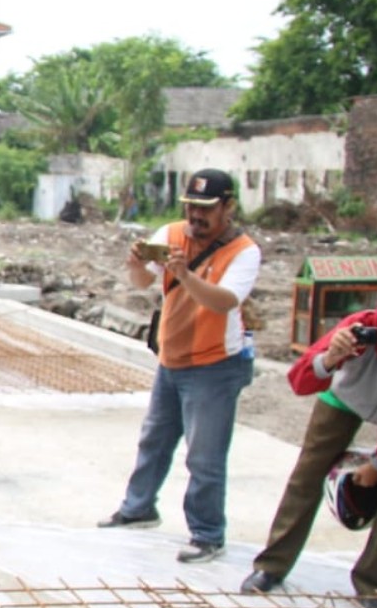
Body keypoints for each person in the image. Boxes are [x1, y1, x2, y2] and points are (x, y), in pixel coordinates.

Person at [96, 168, 260, 563]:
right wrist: (136, 264)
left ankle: (207, 533)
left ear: (228, 207)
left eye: (206, 209)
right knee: (154, 439)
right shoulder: (170, 235)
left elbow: (224, 302)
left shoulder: (244, 252)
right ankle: (138, 508)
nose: (196, 216)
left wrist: (185, 274)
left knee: (204, 455)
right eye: (191, 207)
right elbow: (141, 282)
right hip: (172, 359)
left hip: (215, 365)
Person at [242, 299, 377, 608]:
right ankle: (272, 565)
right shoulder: (360, 325)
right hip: (344, 396)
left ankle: (374, 582)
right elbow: (299, 380)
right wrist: (332, 356)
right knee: (307, 476)